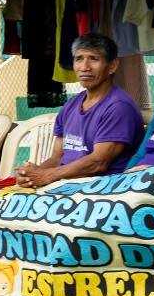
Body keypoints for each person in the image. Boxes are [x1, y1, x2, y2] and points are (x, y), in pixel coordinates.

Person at [16, 33, 143, 188]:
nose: (84, 67)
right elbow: (57, 157)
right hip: (65, 184)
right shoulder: (71, 105)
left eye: (93, 59)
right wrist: (31, 176)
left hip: (101, 188)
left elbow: (98, 163)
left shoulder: (119, 107)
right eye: (79, 59)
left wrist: (47, 175)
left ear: (112, 66)